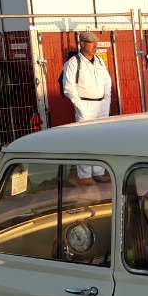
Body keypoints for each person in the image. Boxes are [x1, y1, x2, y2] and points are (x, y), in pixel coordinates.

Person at [62, 30, 112, 182]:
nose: (94, 45)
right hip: (85, 105)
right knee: (84, 140)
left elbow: (107, 82)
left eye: (96, 42)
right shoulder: (73, 63)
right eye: (91, 42)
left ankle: (98, 172)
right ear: (82, 43)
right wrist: (80, 106)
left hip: (101, 105)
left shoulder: (100, 61)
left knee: (101, 140)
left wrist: (107, 100)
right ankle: (84, 175)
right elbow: (68, 87)